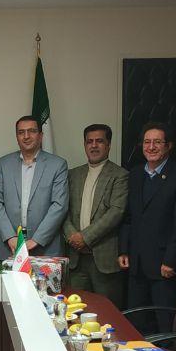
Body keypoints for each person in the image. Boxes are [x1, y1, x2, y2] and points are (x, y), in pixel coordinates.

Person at [118, 123, 176, 333]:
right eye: (147, 142)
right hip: (136, 263)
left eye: (157, 142)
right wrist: (124, 249)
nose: (151, 147)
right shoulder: (135, 174)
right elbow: (128, 216)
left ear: (168, 146)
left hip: (164, 266)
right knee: (136, 324)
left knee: (165, 325)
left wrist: (171, 259)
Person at [62, 124, 128, 307]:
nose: (94, 145)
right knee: (75, 310)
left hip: (104, 258)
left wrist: (85, 237)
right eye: (89, 141)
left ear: (108, 145)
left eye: (99, 141)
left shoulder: (120, 175)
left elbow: (116, 212)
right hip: (75, 257)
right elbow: (62, 209)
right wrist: (72, 236)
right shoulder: (72, 174)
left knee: (107, 311)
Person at [0, 115, 69, 259]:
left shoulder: (58, 165)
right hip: (9, 247)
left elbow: (59, 205)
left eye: (32, 131)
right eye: (21, 132)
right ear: (17, 137)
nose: (26, 136)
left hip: (46, 248)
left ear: (41, 135)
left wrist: (36, 240)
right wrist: (10, 237)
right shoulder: (3, 163)